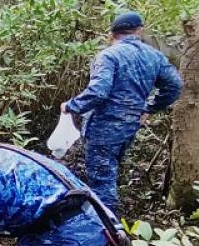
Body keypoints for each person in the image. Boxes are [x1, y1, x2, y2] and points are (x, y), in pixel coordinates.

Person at [62, 11, 183, 214]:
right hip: (130, 126)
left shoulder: (109, 55)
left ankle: (109, 232)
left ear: (111, 34)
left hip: (104, 126)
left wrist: (71, 106)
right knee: (109, 171)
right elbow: (175, 86)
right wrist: (149, 108)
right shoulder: (154, 56)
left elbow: (98, 92)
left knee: (102, 181)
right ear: (140, 31)